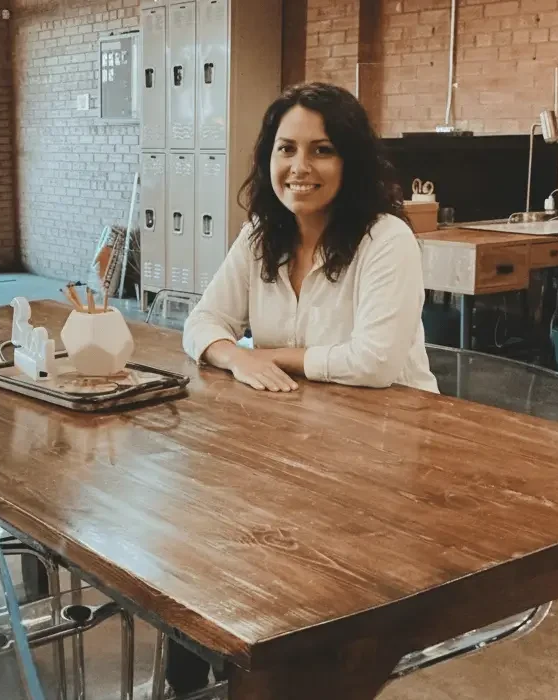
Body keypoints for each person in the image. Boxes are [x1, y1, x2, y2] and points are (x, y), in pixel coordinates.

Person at [170, 82, 438, 695]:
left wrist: (265, 354)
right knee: (200, 557)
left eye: (321, 150)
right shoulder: (264, 233)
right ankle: (206, 674)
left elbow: (373, 363)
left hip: (383, 460)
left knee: (303, 602)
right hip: (291, 450)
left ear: (350, 160)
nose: (300, 167)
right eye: (286, 148)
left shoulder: (385, 238)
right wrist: (231, 357)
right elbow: (202, 322)